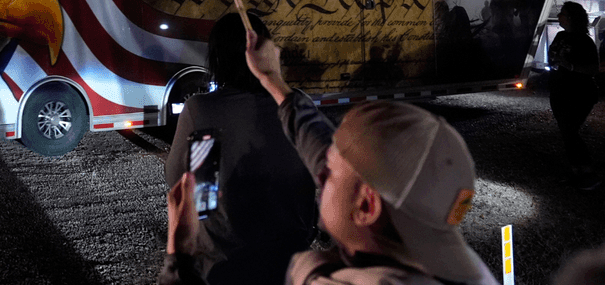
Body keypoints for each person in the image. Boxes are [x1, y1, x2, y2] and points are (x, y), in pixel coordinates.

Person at [160, 19, 499, 285]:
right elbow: (318, 142)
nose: (318, 171)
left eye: (331, 174)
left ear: (367, 205)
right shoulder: (456, 269)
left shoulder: (200, 109)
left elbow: (176, 178)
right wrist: (275, 83)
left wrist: (178, 257)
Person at [164, 13, 317, 284]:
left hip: (222, 264)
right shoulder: (298, 105)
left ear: (217, 58)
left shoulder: (200, 109)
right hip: (291, 260)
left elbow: (177, 180)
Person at [546, 1, 601, 190]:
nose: (559, 16)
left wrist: (570, 66)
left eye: (562, 13)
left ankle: (589, 174)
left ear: (571, 18)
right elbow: (552, 56)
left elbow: (593, 69)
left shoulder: (585, 41)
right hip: (560, 91)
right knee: (566, 131)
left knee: (570, 131)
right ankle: (577, 171)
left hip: (580, 93)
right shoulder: (561, 35)